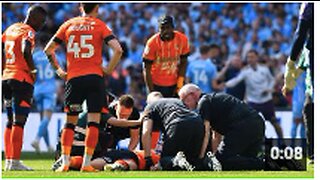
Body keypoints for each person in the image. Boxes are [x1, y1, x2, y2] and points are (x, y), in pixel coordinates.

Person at [44, 3, 123, 172]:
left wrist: (59, 70)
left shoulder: (68, 24)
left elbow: (48, 49)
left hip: (74, 79)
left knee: (70, 123)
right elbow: (118, 50)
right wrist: (108, 69)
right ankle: (86, 163)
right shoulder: (100, 25)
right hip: (95, 78)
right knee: (93, 123)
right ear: (97, 8)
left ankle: (65, 162)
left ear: (81, 8)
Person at [2, 5, 47, 171]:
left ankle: (8, 161)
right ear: (34, 18)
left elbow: (2, 51)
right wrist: (33, 71)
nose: (42, 25)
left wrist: (3, 72)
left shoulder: (11, 28)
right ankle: (14, 162)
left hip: (6, 78)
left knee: (10, 121)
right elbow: (25, 49)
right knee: (19, 122)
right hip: (21, 79)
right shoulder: (28, 31)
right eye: (41, 21)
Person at [179, 84, 265, 170]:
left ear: (192, 94)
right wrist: (213, 158)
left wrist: (201, 158)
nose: (184, 105)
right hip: (257, 123)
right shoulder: (213, 100)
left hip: (243, 126)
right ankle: (264, 163)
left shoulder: (203, 102)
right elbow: (216, 136)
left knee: (223, 162)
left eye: (184, 100)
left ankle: (264, 163)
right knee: (247, 162)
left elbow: (206, 133)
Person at [53, 93, 142, 171]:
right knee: (108, 156)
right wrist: (139, 121)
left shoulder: (85, 111)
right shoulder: (99, 112)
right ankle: (73, 162)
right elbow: (117, 122)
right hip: (82, 145)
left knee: (102, 146)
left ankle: (69, 161)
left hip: (66, 147)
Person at [224, 49, 283, 138]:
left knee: (274, 122)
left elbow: (271, 80)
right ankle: (261, 142)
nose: (249, 59)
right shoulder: (245, 71)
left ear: (257, 58)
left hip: (266, 100)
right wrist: (225, 84)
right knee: (251, 123)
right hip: (253, 101)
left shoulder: (264, 69)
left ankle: (283, 141)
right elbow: (236, 80)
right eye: (248, 57)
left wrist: (269, 89)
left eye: (252, 57)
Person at [141, 92, 205, 171]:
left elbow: (146, 132)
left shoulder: (150, 107)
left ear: (148, 102)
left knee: (166, 159)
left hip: (177, 123)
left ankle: (176, 160)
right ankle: (208, 162)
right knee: (192, 161)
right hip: (197, 122)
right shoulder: (176, 101)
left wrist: (148, 159)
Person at [282, 3, 313, 163]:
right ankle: (310, 152)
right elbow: (299, 69)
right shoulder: (306, 53)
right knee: (307, 109)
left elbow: (300, 35)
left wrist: (289, 68)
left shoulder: (309, 6)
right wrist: (288, 83)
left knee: (309, 108)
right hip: (305, 89)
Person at [142, 15, 190, 97]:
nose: (165, 31)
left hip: (174, 83)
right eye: (162, 28)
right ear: (159, 29)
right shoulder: (152, 43)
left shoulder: (182, 39)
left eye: (168, 27)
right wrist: (151, 92)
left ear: (173, 28)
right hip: (155, 84)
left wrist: (179, 85)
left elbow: (184, 63)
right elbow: (147, 69)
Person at [30, 34, 56, 153]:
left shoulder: (34, 56)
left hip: (37, 89)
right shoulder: (52, 55)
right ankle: (36, 139)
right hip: (49, 89)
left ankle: (48, 146)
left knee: (43, 119)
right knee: (47, 118)